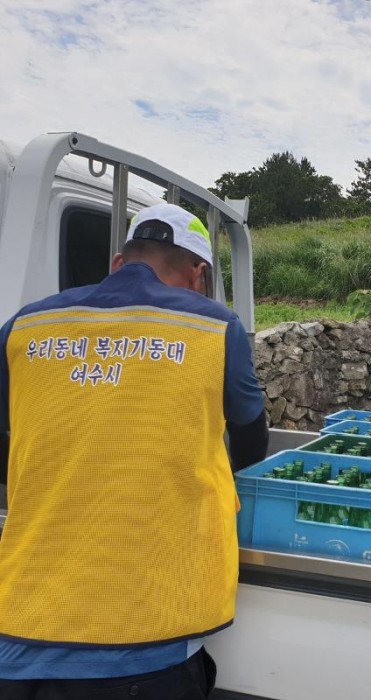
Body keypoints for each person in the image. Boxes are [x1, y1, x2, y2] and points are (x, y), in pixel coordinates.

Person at [0, 202, 268, 698]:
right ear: (199, 275)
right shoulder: (215, 327)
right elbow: (252, 443)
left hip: (22, 627)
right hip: (146, 635)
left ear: (118, 263)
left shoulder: (24, 328)